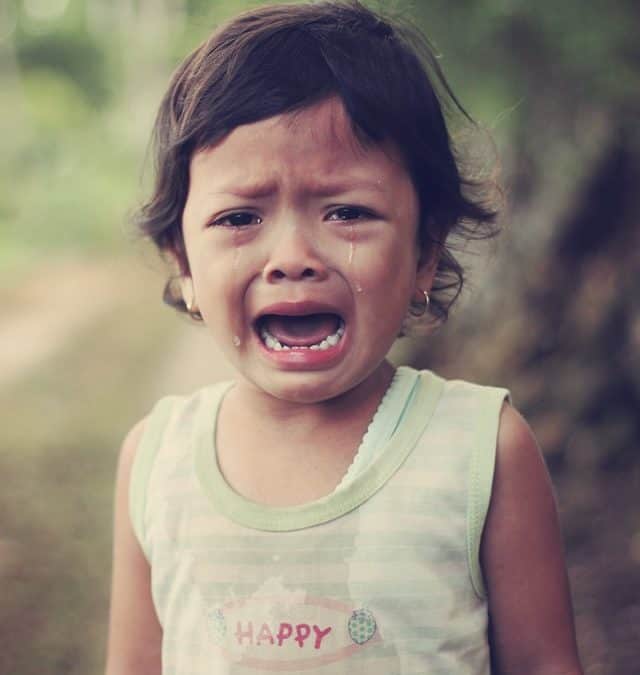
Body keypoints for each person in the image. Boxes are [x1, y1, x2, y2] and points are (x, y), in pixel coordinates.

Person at [105, 2, 583, 674]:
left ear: (424, 251)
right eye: (241, 216)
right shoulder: (157, 462)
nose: (293, 254)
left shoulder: (484, 450)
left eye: (347, 212)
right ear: (182, 262)